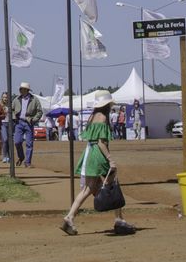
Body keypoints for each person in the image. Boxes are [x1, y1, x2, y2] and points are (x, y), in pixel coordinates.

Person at [60, 91, 136, 236]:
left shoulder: (92, 117)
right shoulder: (102, 118)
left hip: (89, 153)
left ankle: (70, 217)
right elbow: (102, 142)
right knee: (112, 185)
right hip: (98, 155)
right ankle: (119, 220)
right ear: (107, 105)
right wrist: (110, 159)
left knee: (87, 189)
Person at [11, 82, 43, 167]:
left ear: (27, 90)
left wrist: (34, 120)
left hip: (29, 123)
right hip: (19, 122)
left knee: (29, 143)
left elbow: (40, 111)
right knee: (17, 142)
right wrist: (14, 117)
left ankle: (27, 162)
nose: (20, 90)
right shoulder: (16, 99)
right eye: (20, 89)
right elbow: (12, 110)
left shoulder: (34, 99)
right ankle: (21, 157)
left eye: (22, 89)